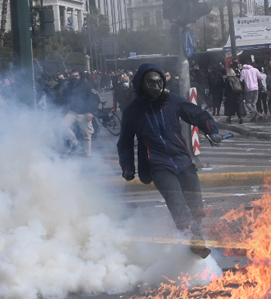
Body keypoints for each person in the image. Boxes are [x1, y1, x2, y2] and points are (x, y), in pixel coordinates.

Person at [117, 63, 223, 259]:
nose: (156, 86)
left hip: (183, 160)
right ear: (141, 84)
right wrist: (127, 167)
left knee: (195, 204)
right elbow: (124, 143)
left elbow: (197, 114)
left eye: (159, 82)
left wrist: (212, 130)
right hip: (157, 165)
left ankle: (196, 238)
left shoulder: (172, 101)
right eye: (151, 82)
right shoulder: (133, 111)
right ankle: (193, 238)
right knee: (177, 202)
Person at [62, 70, 101, 157]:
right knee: (62, 125)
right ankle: (75, 143)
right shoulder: (69, 86)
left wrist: (91, 112)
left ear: (80, 76)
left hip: (85, 113)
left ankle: (88, 153)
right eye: (72, 76)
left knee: (87, 134)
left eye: (76, 76)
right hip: (72, 111)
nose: (74, 78)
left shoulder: (87, 86)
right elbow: (64, 98)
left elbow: (95, 99)